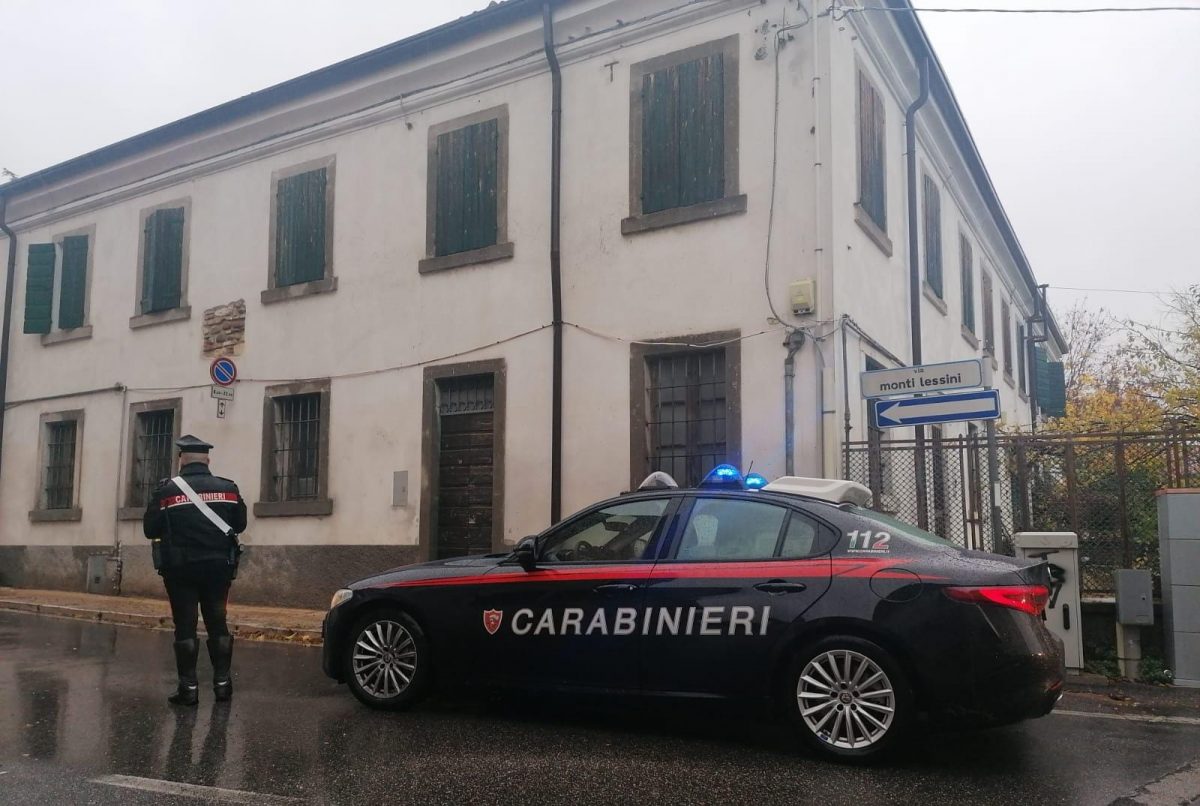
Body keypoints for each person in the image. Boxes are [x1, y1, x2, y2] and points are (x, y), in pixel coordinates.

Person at [144, 435, 246, 707]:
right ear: (208, 461)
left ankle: (188, 689)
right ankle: (223, 685)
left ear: (181, 460)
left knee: (185, 625)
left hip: (180, 571)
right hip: (218, 569)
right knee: (217, 622)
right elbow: (240, 523)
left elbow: (149, 530)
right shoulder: (228, 488)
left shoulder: (165, 491)